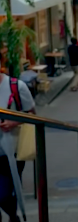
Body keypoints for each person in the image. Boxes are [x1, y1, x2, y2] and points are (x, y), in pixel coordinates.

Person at [0, 71, 36, 222]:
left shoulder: (16, 86)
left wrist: (13, 122)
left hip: (13, 149)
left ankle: (14, 216)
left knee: (5, 193)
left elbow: (32, 114)